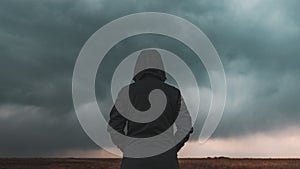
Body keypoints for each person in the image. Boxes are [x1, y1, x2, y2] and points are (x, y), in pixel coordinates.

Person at [107, 49, 193, 169]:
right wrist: (171, 149)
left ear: (138, 67)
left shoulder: (125, 92)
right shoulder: (174, 93)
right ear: (161, 67)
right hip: (166, 161)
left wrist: (129, 148)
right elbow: (186, 127)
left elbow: (114, 127)